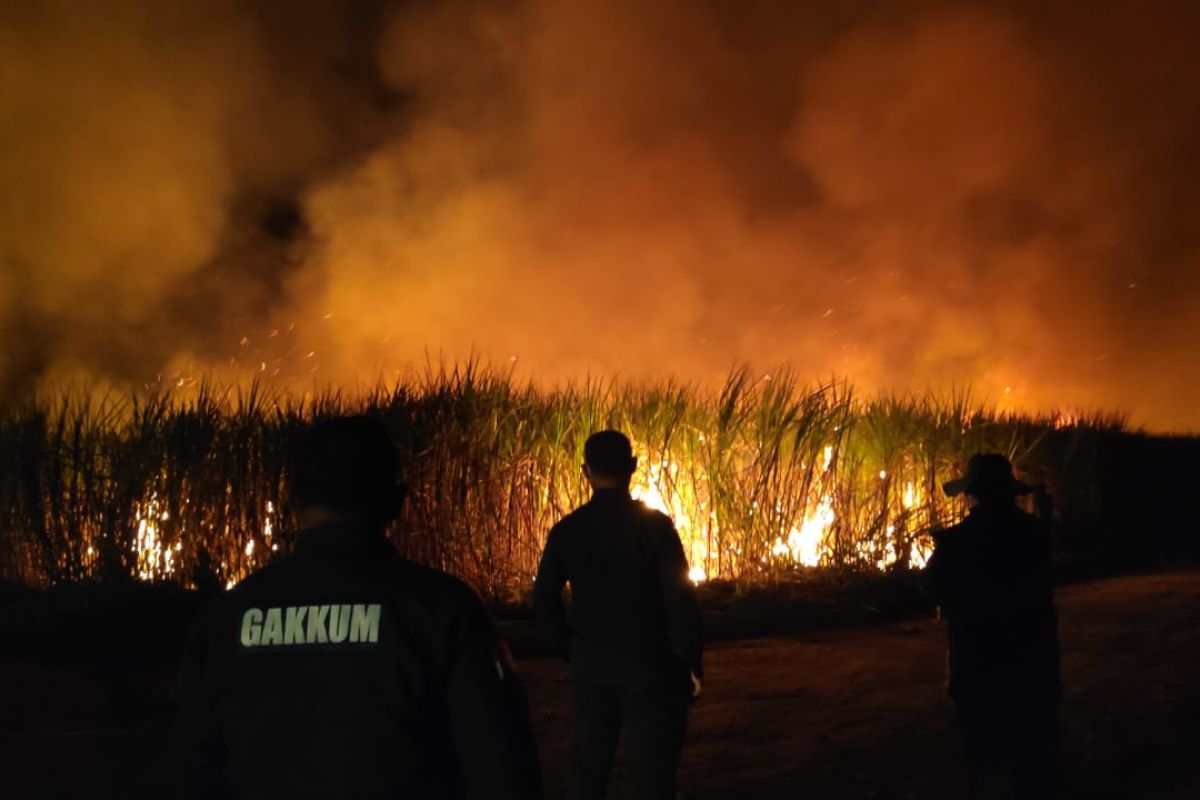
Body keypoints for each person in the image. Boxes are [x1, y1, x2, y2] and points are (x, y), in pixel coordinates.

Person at [174, 415, 541, 799]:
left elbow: (196, 767)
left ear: (292, 500)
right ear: (397, 502)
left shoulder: (222, 620)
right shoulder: (444, 611)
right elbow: (502, 765)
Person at [533, 430, 703, 800]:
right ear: (633, 467)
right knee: (654, 777)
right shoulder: (655, 527)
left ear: (586, 472)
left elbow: (543, 598)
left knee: (588, 774)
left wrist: (571, 648)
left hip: (592, 669)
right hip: (651, 667)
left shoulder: (568, 531)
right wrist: (690, 659)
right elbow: (679, 596)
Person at [924, 453, 1062, 799]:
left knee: (981, 757)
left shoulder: (956, 541)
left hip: (976, 665)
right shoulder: (1034, 535)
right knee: (1030, 758)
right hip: (1032, 665)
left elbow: (928, 589)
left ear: (972, 495)